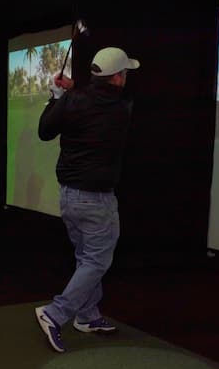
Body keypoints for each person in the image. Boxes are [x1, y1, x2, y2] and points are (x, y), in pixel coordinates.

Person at [34, 47, 140, 352]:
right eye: (125, 73)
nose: (126, 79)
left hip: (68, 196)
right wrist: (68, 93)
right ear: (117, 77)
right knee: (97, 259)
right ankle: (56, 313)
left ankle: (87, 316)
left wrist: (56, 96)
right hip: (96, 200)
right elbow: (102, 100)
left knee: (86, 257)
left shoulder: (74, 101)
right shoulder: (122, 107)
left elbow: (44, 130)